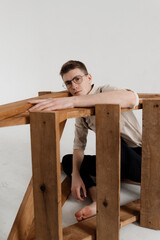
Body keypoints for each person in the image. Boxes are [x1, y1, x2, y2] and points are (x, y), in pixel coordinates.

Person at [29, 60, 142, 222]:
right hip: (114, 162)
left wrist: (72, 101)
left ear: (89, 78)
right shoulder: (82, 112)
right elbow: (78, 146)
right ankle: (98, 201)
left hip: (138, 158)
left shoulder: (105, 90)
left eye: (77, 79)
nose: (73, 86)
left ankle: (109, 197)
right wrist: (75, 175)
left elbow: (132, 98)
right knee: (69, 161)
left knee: (114, 140)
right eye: (68, 83)